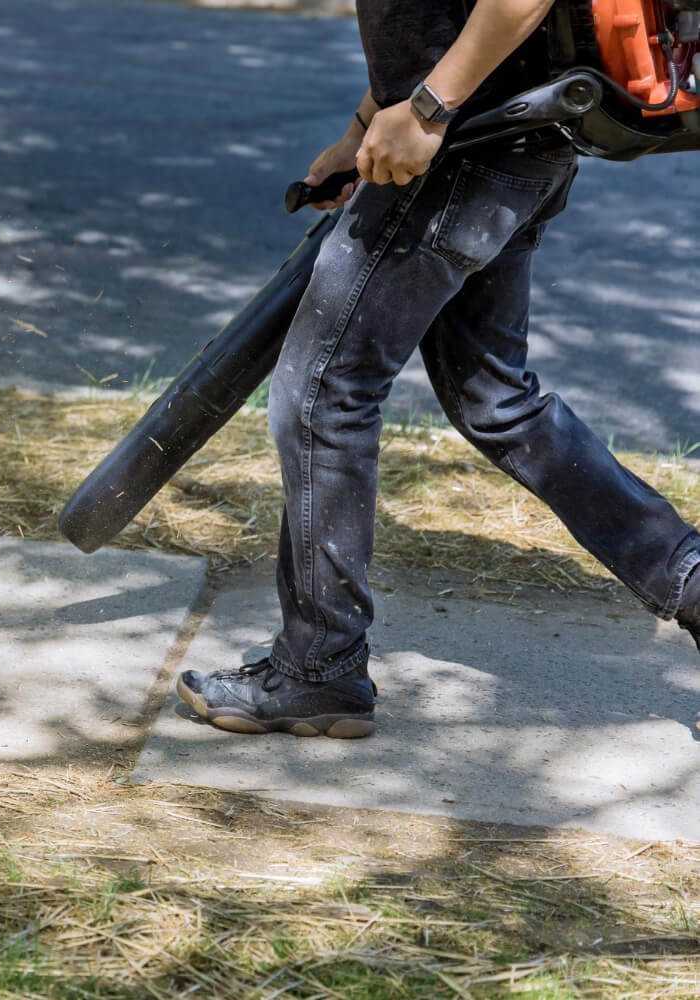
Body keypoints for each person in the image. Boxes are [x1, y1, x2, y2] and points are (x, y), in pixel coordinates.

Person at [176, 0, 700, 738]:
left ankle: (316, 670)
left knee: (324, 390)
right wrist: (367, 125)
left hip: (467, 144)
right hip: (510, 139)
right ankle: (692, 580)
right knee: (496, 401)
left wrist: (424, 110)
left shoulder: (442, 117)